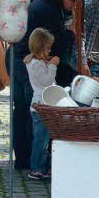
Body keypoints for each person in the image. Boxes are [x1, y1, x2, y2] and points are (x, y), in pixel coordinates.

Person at [10, 0, 77, 170]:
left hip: (23, 58)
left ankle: (27, 159)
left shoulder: (49, 6)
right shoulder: (49, 10)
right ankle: (31, 161)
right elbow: (56, 42)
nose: (73, 5)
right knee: (27, 114)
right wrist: (72, 32)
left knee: (23, 112)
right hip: (25, 60)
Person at [25, 28, 58, 181]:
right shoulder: (35, 64)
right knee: (40, 140)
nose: (50, 51)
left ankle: (43, 167)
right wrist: (52, 66)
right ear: (40, 47)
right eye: (48, 48)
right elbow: (45, 82)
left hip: (45, 105)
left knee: (45, 139)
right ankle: (36, 168)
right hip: (40, 106)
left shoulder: (39, 62)